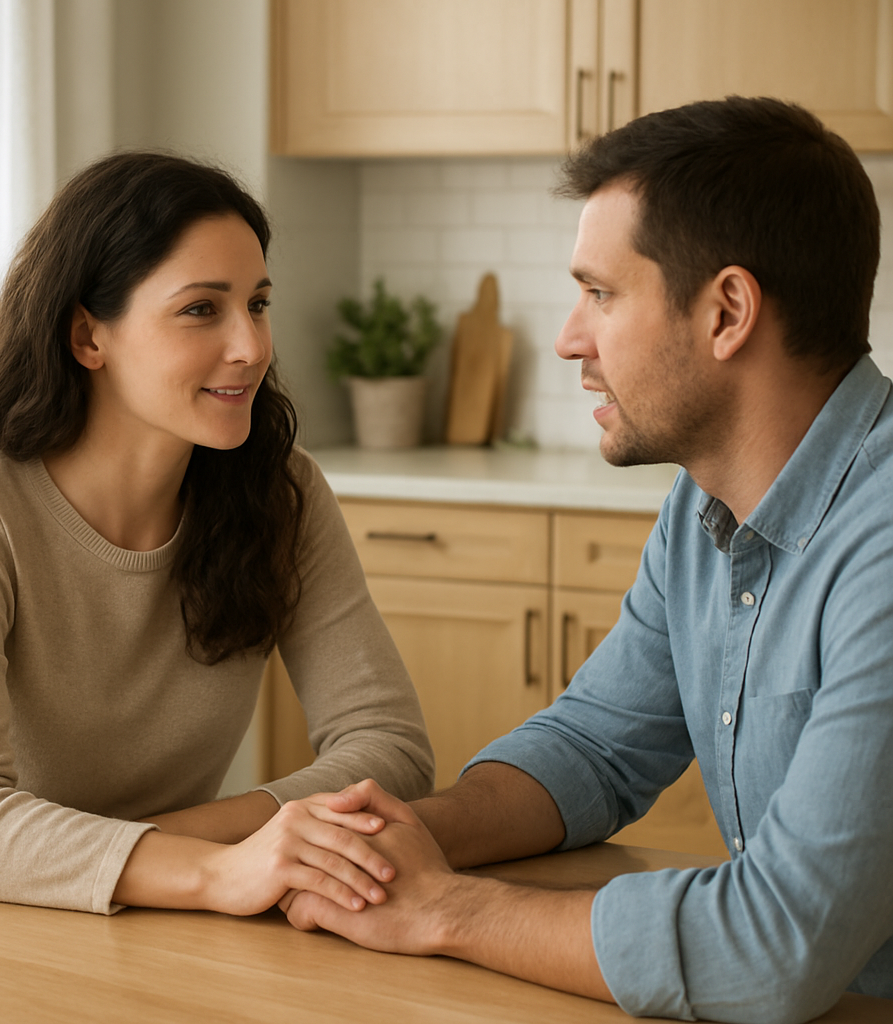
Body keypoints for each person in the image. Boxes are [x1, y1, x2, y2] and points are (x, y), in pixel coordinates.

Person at [278, 97, 893, 1022]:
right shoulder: (705, 505)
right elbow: (595, 747)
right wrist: (395, 841)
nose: (569, 337)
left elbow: (773, 946)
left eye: (600, 294)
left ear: (728, 312)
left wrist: (444, 910)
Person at [0, 152, 434, 915]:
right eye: (202, 309)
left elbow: (390, 748)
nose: (253, 346)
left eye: (258, 304)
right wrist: (215, 867)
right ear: (88, 337)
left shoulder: (280, 491)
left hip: (140, 914)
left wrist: (182, 843)